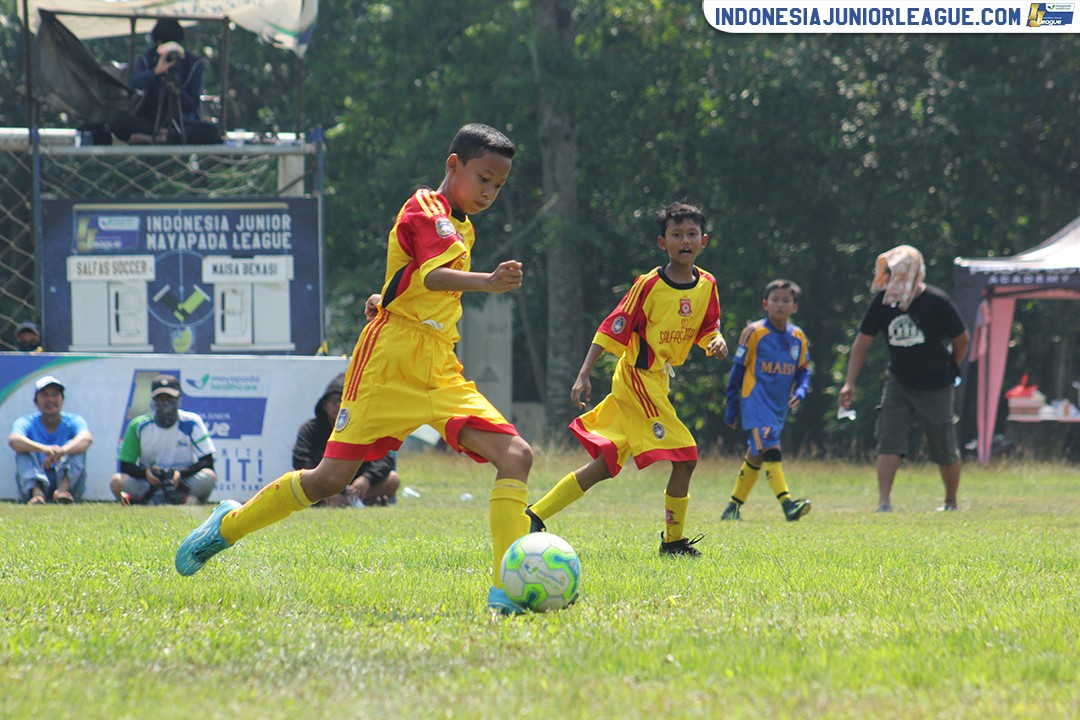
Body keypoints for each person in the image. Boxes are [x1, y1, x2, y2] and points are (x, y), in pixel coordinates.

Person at [176, 123, 535, 614]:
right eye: (484, 178)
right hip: (388, 364)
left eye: (499, 185)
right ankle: (227, 525)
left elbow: (409, 277)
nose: (490, 192)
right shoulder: (426, 206)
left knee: (516, 455)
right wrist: (487, 282)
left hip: (439, 364)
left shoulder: (461, 223)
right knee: (330, 480)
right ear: (453, 166)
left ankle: (507, 595)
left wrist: (386, 295)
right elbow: (430, 274)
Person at [525, 200, 728, 557]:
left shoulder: (707, 285)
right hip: (636, 379)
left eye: (691, 234)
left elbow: (707, 327)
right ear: (662, 243)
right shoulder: (648, 284)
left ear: (704, 241)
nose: (685, 240)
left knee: (605, 466)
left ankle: (535, 514)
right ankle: (673, 542)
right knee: (687, 457)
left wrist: (716, 341)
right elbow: (613, 325)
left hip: (658, 381)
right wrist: (584, 373)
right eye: (676, 234)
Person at [838, 245, 970, 512]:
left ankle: (951, 502)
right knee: (889, 438)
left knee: (943, 443)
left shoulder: (937, 301)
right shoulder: (883, 303)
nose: (888, 276)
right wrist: (849, 381)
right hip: (899, 382)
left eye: (893, 270)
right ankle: (884, 502)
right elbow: (862, 342)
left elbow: (962, 341)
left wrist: (950, 367)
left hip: (936, 385)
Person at [721, 279, 812, 522]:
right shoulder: (754, 332)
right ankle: (788, 506)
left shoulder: (798, 337)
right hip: (755, 402)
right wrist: (732, 407)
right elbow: (737, 371)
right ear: (765, 304)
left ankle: (732, 509)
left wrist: (801, 391)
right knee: (771, 448)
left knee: (756, 454)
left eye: (786, 301)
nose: (780, 305)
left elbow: (803, 370)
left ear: (794, 307)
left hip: (778, 406)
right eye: (775, 300)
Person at [293, 373, 401, 507]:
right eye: (334, 400)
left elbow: (385, 459)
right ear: (325, 404)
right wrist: (325, 492)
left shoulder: (366, 427)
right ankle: (339, 501)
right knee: (303, 483)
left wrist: (366, 479)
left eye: (344, 400)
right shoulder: (310, 429)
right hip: (324, 485)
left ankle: (352, 502)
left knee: (393, 480)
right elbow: (301, 460)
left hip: (358, 486)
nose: (339, 405)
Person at [109, 374, 217, 505]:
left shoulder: (192, 422)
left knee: (209, 476)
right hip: (149, 484)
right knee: (117, 481)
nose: (165, 403)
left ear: (179, 400)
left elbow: (207, 461)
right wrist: (146, 473)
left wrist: (179, 474)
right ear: (152, 401)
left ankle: (146, 502)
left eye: (170, 398)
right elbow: (125, 465)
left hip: (182, 483)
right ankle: (180, 501)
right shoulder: (138, 425)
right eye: (160, 399)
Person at [110, 18, 206, 144]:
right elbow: (134, 83)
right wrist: (156, 71)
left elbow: (193, 103)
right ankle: (163, 137)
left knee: (210, 132)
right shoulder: (147, 59)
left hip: (181, 122)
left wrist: (176, 90)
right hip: (149, 119)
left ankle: (158, 138)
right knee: (118, 120)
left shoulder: (193, 64)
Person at [9, 376, 93, 504]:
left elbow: (86, 439)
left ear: (62, 399)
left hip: (69, 483)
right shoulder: (26, 422)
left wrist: (62, 451)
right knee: (23, 453)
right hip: (34, 480)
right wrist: (44, 449)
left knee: (76, 448)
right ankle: (36, 494)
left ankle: (62, 492)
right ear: (36, 401)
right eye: (45, 395)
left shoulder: (74, 421)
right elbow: (14, 440)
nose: (50, 399)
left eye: (55, 394)